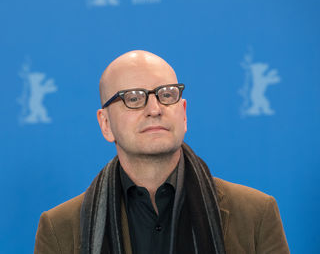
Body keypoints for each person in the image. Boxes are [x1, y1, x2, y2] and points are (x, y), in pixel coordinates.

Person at [34, 50, 289, 254]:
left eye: (167, 94)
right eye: (133, 98)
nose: (155, 108)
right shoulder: (60, 229)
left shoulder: (256, 214)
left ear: (184, 113)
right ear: (106, 124)